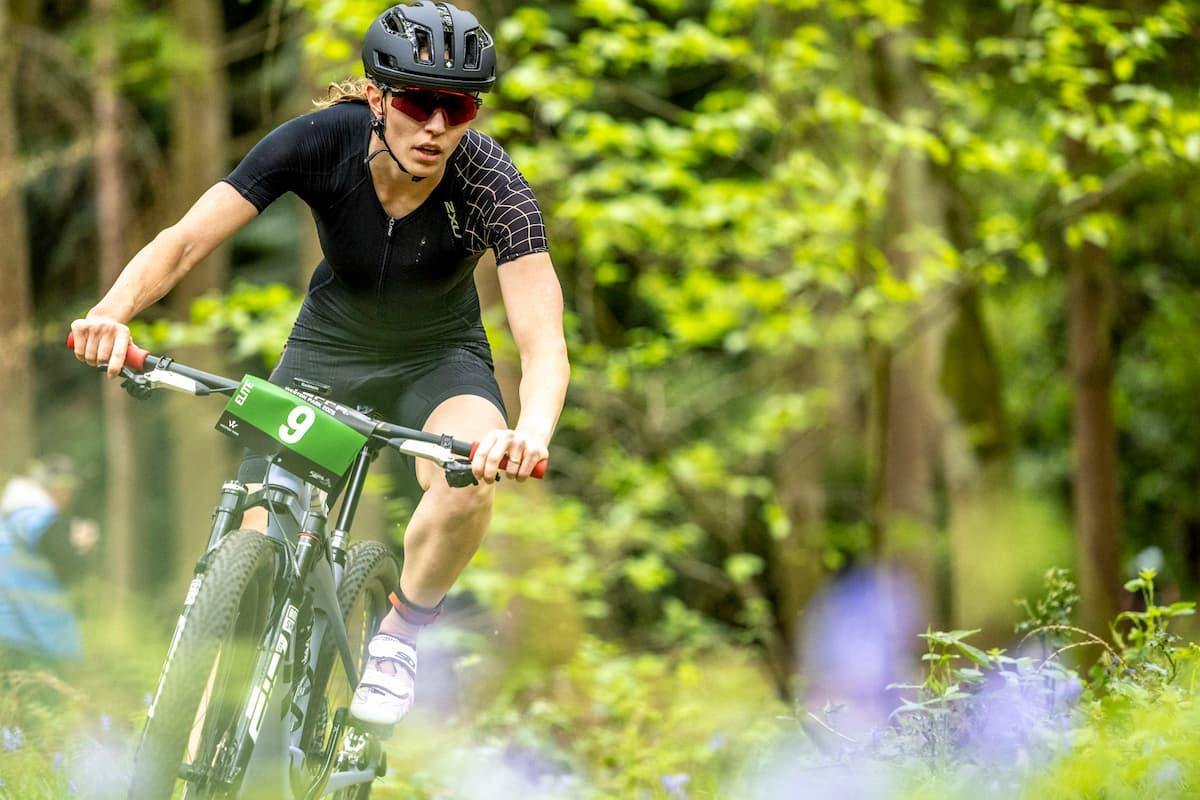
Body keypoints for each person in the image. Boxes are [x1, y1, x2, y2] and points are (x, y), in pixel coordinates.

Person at [69, 1, 569, 726]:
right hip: (327, 350)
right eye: (418, 102)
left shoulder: (493, 184)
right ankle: (193, 729)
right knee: (255, 530)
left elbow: (544, 342)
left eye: (457, 107)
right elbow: (184, 241)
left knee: (468, 483)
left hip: (439, 357)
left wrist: (531, 433)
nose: (436, 126)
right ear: (377, 97)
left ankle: (400, 633)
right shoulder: (319, 141)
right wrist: (110, 314)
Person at [0, 457, 99, 664]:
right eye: (61, 488)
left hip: (12, 631)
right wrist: (81, 546)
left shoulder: (11, 518)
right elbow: (70, 569)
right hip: (33, 639)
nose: (67, 496)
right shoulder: (42, 520)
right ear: (47, 487)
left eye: (70, 489)